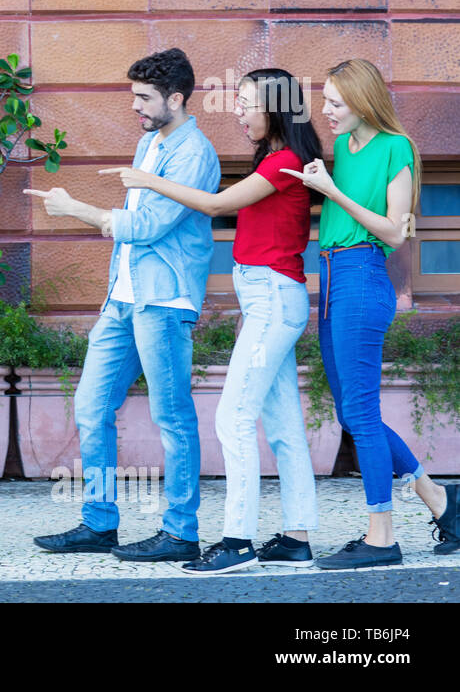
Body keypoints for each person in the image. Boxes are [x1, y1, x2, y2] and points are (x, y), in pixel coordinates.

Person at [100, 69, 323, 574]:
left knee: (233, 418)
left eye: (246, 104)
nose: (238, 113)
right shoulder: (275, 158)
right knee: (282, 424)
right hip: (267, 300)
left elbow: (218, 205)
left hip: (273, 299)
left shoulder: (284, 161)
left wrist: (147, 179)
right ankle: (297, 538)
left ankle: (237, 541)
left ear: (275, 108)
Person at [26, 48, 220, 562]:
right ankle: (99, 523)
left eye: (143, 97)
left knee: (172, 417)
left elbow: (149, 226)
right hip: (124, 299)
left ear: (175, 99)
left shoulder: (193, 154)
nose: (134, 105)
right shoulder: (149, 143)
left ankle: (181, 533)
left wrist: (73, 209)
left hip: (163, 301)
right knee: (91, 406)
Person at [279, 59, 459, 566]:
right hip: (332, 276)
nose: (326, 111)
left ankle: (382, 539)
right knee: (350, 412)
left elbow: (396, 231)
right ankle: (441, 500)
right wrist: (322, 183)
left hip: (362, 277)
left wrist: (331, 191)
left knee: (360, 413)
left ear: (362, 101)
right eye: (325, 101)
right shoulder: (343, 147)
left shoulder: (396, 148)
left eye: (335, 102)